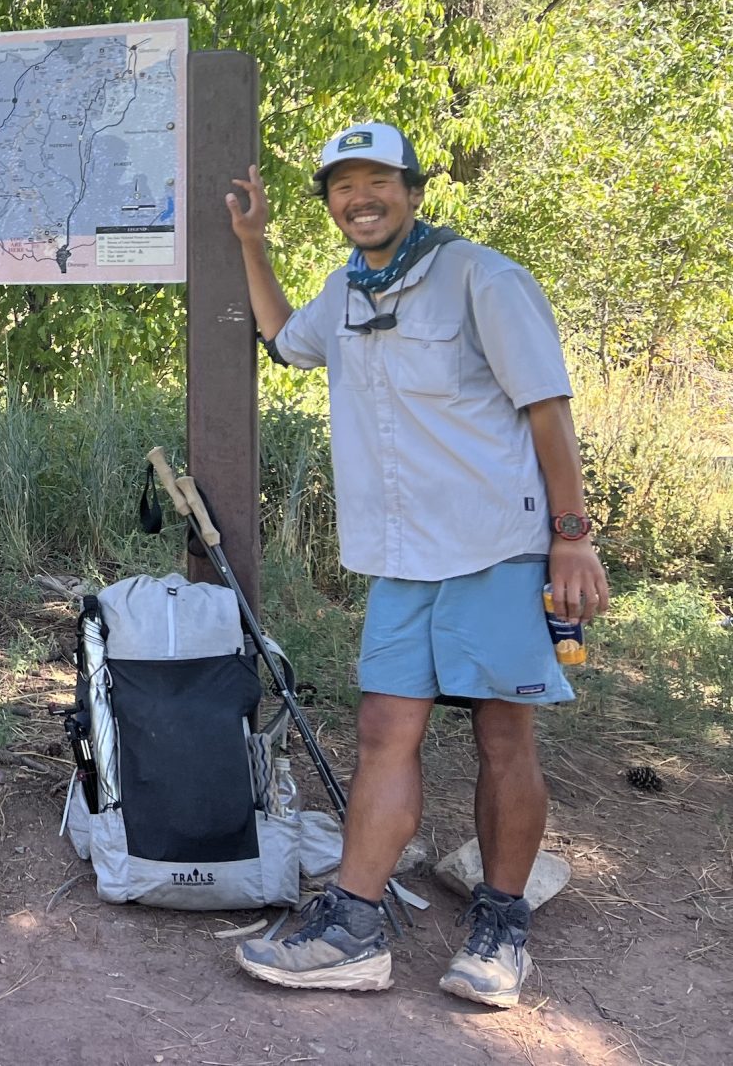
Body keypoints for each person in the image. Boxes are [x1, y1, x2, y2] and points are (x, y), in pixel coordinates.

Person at [223, 121, 608, 1008]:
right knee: (382, 733)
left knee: (503, 737)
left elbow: (547, 408)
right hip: (400, 560)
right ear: (330, 203)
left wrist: (572, 535)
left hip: (494, 547)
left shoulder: (481, 277)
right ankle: (353, 931)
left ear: (413, 190)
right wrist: (252, 243)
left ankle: (500, 931)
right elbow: (283, 340)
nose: (360, 198)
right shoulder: (346, 291)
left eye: (377, 181)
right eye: (342, 186)